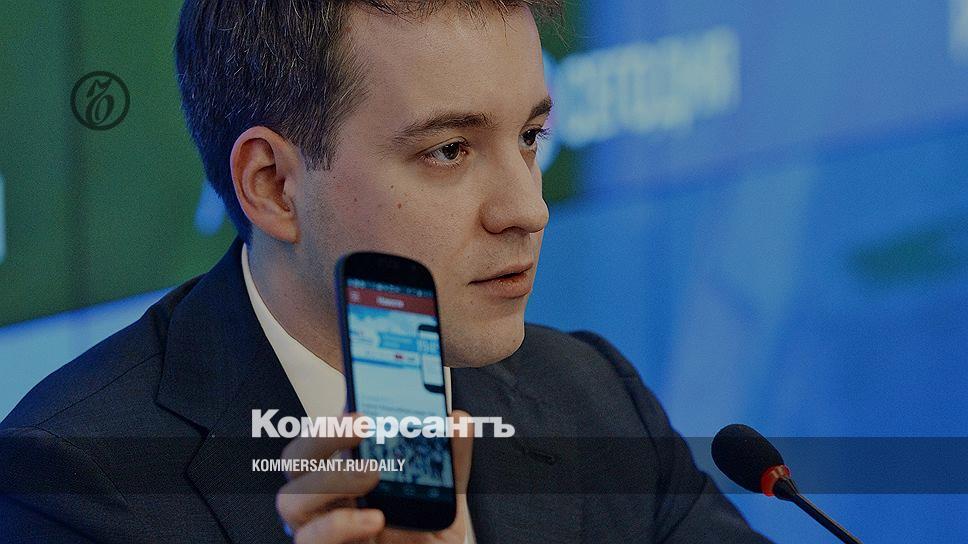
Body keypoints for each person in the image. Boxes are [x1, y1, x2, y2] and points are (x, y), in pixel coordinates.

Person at [0, 1, 772, 542]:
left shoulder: (592, 398)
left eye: (531, 136)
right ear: (273, 185)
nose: (528, 209)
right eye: (450, 150)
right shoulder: (74, 485)